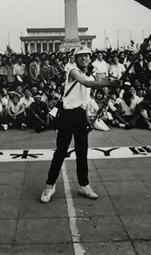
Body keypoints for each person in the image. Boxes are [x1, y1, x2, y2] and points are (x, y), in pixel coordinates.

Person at [41, 47, 120, 204]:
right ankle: (50, 185)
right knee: (61, 151)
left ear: (90, 59)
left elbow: (84, 99)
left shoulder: (89, 74)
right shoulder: (71, 69)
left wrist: (88, 120)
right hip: (67, 115)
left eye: (86, 56)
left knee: (82, 151)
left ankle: (84, 185)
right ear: (75, 58)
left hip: (80, 116)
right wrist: (110, 83)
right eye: (81, 56)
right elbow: (85, 83)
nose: (84, 58)